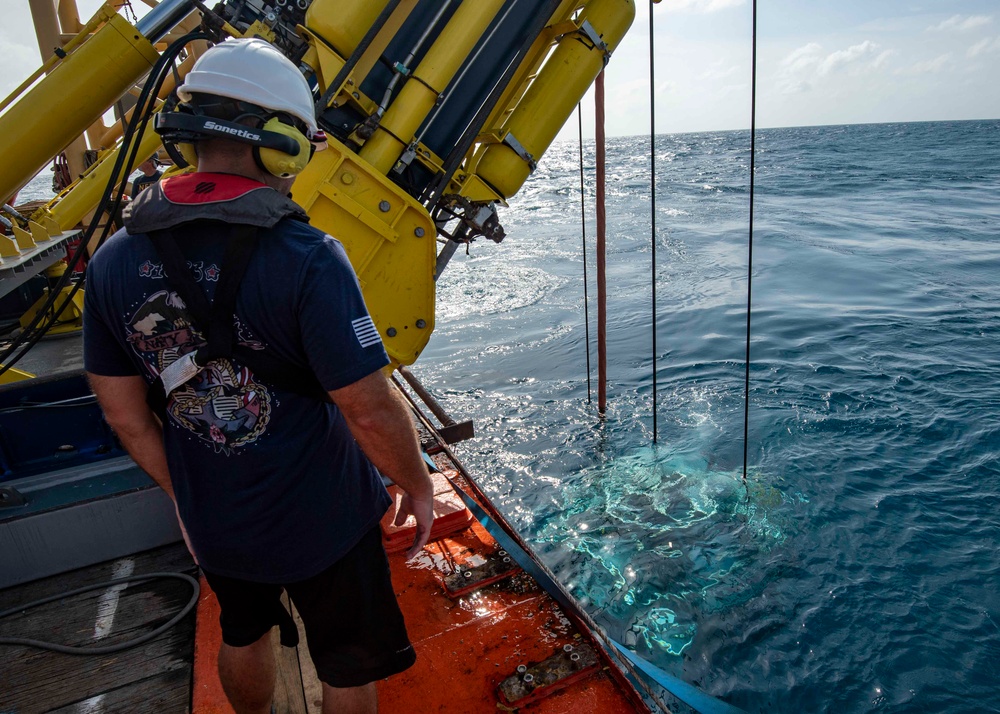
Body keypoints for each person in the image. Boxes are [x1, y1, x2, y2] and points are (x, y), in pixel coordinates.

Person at [82, 38, 435, 714]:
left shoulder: (112, 260)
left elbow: (125, 416)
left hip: (218, 520)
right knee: (347, 666)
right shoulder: (310, 255)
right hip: (326, 518)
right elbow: (366, 408)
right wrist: (416, 484)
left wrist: (187, 496)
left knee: (242, 632)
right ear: (281, 145)